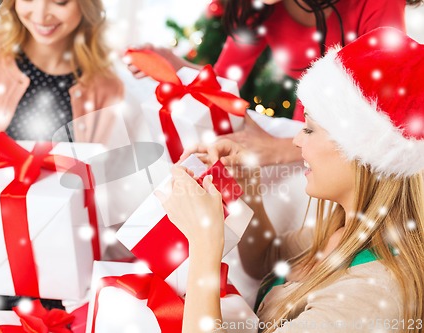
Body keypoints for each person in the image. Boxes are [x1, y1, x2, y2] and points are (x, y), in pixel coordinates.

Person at [157, 27, 424, 332]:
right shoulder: (344, 226)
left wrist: (204, 245)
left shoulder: (369, 294)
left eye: (309, 129)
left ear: (361, 152)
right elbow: (267, 260)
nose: (296, 141)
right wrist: (250, 188)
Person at [0, 0, 123, 330]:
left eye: (59, 1)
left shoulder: (105, 88)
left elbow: (101, 193)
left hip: (49, 258)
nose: (41, 15)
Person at [130, 0, 422, 167]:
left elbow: (387, 123)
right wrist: (176, 64)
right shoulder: (261, 7)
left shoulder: (378, 3)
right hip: (302, 136)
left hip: (356, 157)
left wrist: (281, 150)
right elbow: (225, 80)